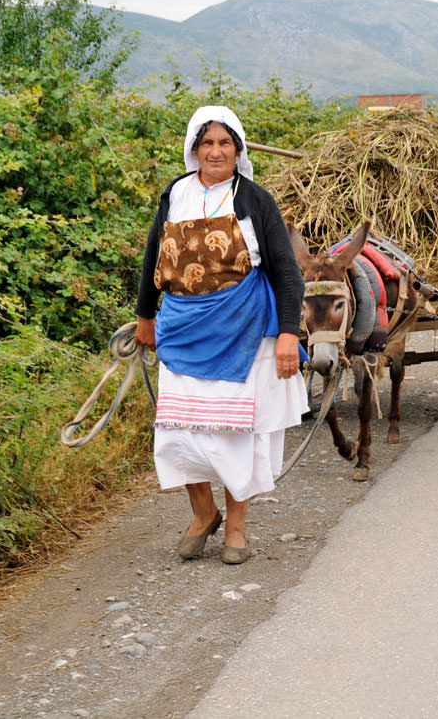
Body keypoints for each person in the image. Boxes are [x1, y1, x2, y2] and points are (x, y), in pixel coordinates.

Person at [134, 106, 308, 565]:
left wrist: (289, 332)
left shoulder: (254, 199)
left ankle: (236, 527)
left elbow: (286, 272)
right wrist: (145, 317)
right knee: (178, 433)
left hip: (240, 332)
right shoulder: (175, 194)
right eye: (206, 143)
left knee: (234, 435)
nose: (215, 151)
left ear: (238, 149)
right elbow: (155, 256)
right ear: (194, 149)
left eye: (224, 143)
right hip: (180, 330)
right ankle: (203, 511)